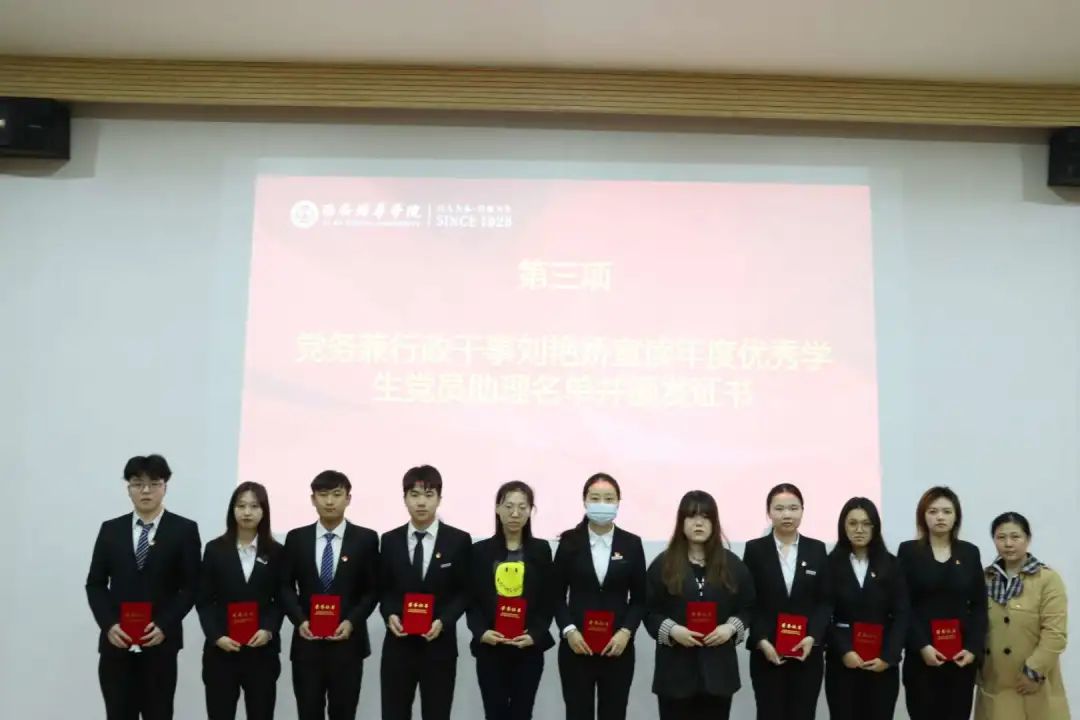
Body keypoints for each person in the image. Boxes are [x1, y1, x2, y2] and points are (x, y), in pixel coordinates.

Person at [85, 454, 202, 720]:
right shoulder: (110, 530)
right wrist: (109, 625)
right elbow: (95, 584)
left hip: (160, 643)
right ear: (128, 488)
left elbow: (191, 587)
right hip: (117, 643)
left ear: (165, 487)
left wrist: (164, 625)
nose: (145, 490)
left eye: (154, 483)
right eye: (138, 484)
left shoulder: (184, 530)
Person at [644, 490, 755, 720]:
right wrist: (672, 630)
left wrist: (730, 628)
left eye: (705, 517)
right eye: (691, 516)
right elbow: (648, 610)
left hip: (718, 672)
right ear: (681, 521)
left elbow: (749, 607)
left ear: (714, 522)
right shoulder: (663, 564)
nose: (698, 523)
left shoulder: (732, 564)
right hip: (675, 671)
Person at [280, 470, 379, 720]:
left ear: (348, 498)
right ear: (313, 499)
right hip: (307, 644)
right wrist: (300, 620)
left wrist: (351, 621)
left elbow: (372, 589)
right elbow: (284, 587)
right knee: (308, 712)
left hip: (348, 643)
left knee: (343, 713)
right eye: (323, 495)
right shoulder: (296, 538)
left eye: (337, 494)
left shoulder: (366, 539)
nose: (330, 501)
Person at [379, 465, 472, 720]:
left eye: (429, 495)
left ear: (439, 498)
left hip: (439, 646)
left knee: (437, 713)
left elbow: (465, 592)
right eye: (415, 495)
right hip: (398, 646)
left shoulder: (458, 540)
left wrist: (444, 621)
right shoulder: (390, 540)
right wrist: (390, 615)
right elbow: (383, 589)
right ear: (405, 498)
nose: (421, 502)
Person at [553, 473, 647, 720]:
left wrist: (626, 632)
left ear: (618, 502)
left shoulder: (631, 543)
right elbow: (555, 595)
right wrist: (569, 631)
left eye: (608, 499)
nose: (602, 504)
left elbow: (640, 599)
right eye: (595, 498)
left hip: (617, 647)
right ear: (585, 501)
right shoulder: (569, 542)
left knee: (614, 713)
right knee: (577, 713)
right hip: (577, 646)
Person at [467, 480, 555, 720]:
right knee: (494, 713)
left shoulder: (541, 550)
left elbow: (548, 599)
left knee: (522, 713)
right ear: (497, 508)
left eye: (522, 507)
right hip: (491, 647)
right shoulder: (479, 551)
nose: (515, 513)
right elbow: (471, 599)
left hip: (527, 647)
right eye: (508, 506)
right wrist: (481, 632)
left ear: (530, 510)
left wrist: (535, 633)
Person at [742, 483, 830, 720]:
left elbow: (825, 601)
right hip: (767, 653)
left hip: (806, 653)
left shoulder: (817, 549)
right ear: (769, 512)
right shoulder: (755, 549)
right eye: (779, 509)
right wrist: (761, 640)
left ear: (802, 510)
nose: (787, 515)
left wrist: (813, 636)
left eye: (793, 508)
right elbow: (750, 601)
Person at [897, 486, 987, 720]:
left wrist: (973, 648)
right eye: (933, 511)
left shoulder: (969, 553)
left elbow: (979, 605)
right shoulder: (908, 551)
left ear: (956, 516)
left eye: (947, 511)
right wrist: (922, 646)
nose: (940, 517)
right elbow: (902, 605)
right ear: (923, 516)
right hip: (922, 657)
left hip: (961, 658)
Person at [196, 481, 284, 720]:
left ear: (264, 511)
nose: (247, 512)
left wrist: (268, 630)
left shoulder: (276, 552)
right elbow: (204, 600)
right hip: (222, 651)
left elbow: (281, 599)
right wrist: (217, 636)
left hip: (261, 652)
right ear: (232, 509)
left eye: (254, 506)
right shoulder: (215, 549)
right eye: (241, 506)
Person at [974, 512, 1070, 720]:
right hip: (994, 684)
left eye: (1015, 537)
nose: (1008, 544)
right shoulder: (984, 578)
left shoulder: (1047, 579)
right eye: (1001, 537)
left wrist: (1034, 672)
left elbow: (1055, 634)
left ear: (1028, 539)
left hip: (1034, 684)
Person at [823, 497, 909, 720]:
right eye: (852, 523)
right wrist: (844, 651)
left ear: (875, 527)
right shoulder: (829, 564)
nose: (859, 530)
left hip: (882, 664)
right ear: (843, 527)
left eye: (866, 523)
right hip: (842, 663)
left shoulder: (892, 564)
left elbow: (902, 614)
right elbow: (824, 613)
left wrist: (888, 657)